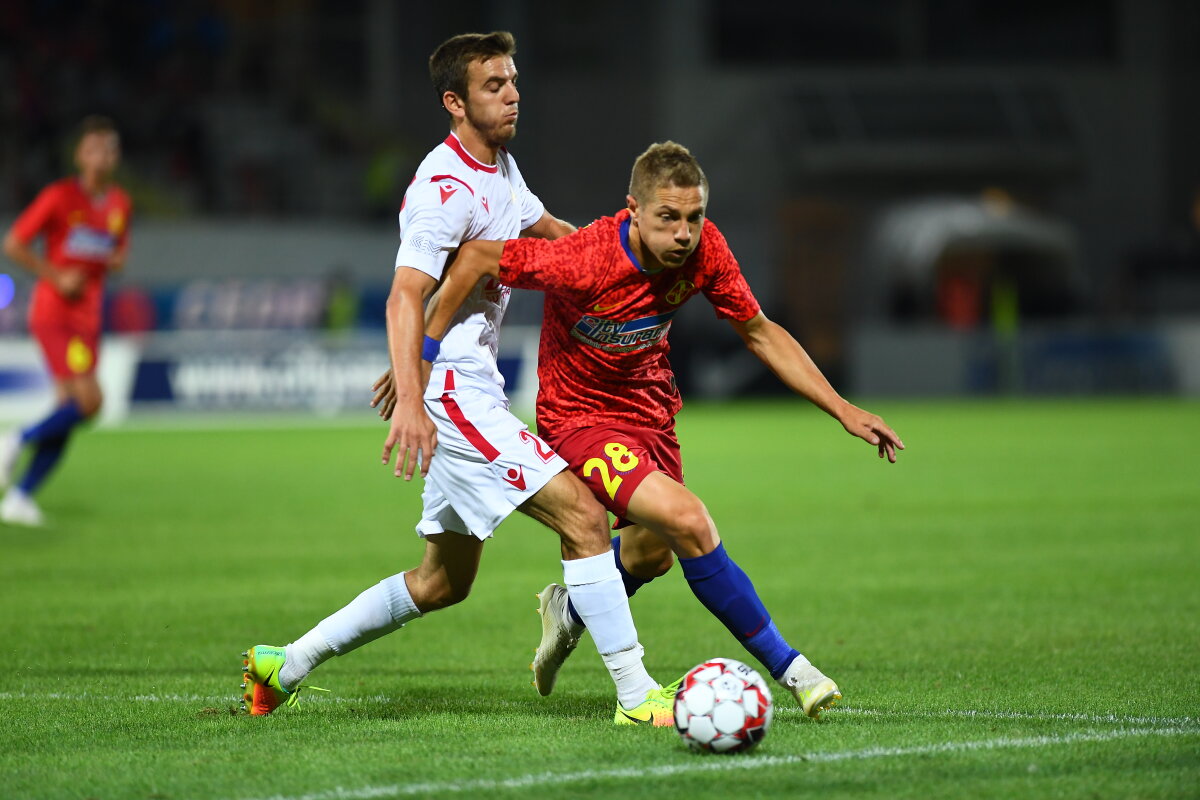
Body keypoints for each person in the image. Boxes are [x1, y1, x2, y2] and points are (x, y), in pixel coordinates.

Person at [242, 32, 675, 727]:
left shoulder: (500, 168)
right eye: (494, 86)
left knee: (441, 583)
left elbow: (552, 233)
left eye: (513, 82)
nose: (512, 95)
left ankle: (283, 662)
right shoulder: (443, 189)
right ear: (455, 102)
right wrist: (414, 400)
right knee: (585, 517)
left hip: (466, 389)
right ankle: (635, 696)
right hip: (453, 394)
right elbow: (403, 294)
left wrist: (624, 255)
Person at [419, 141, 905, 718]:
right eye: (668, 218)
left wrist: (843, 409)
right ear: (634, 210)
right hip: (579, 418)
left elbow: (760, 332)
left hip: (649, 412)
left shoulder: (707, 253)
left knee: (651, 555)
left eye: (694, 218)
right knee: (689, 520)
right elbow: (476, 257)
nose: (684, 233)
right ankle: (795, 671)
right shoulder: (583, 258)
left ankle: (569, 611)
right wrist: (420, 357)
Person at [1, 115, 131, 526]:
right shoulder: (59, 197)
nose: (102, 156)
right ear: (79, 155)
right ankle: (15, 439)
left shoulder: (119, 205)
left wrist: (114, 260)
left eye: (109, 148)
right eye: (94, 148)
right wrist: (56, 276)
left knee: (69, 408)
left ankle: (19, 498)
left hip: (88, 318)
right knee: (91, 401)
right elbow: (14, 243)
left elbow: (117, 254)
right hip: (55, 313)